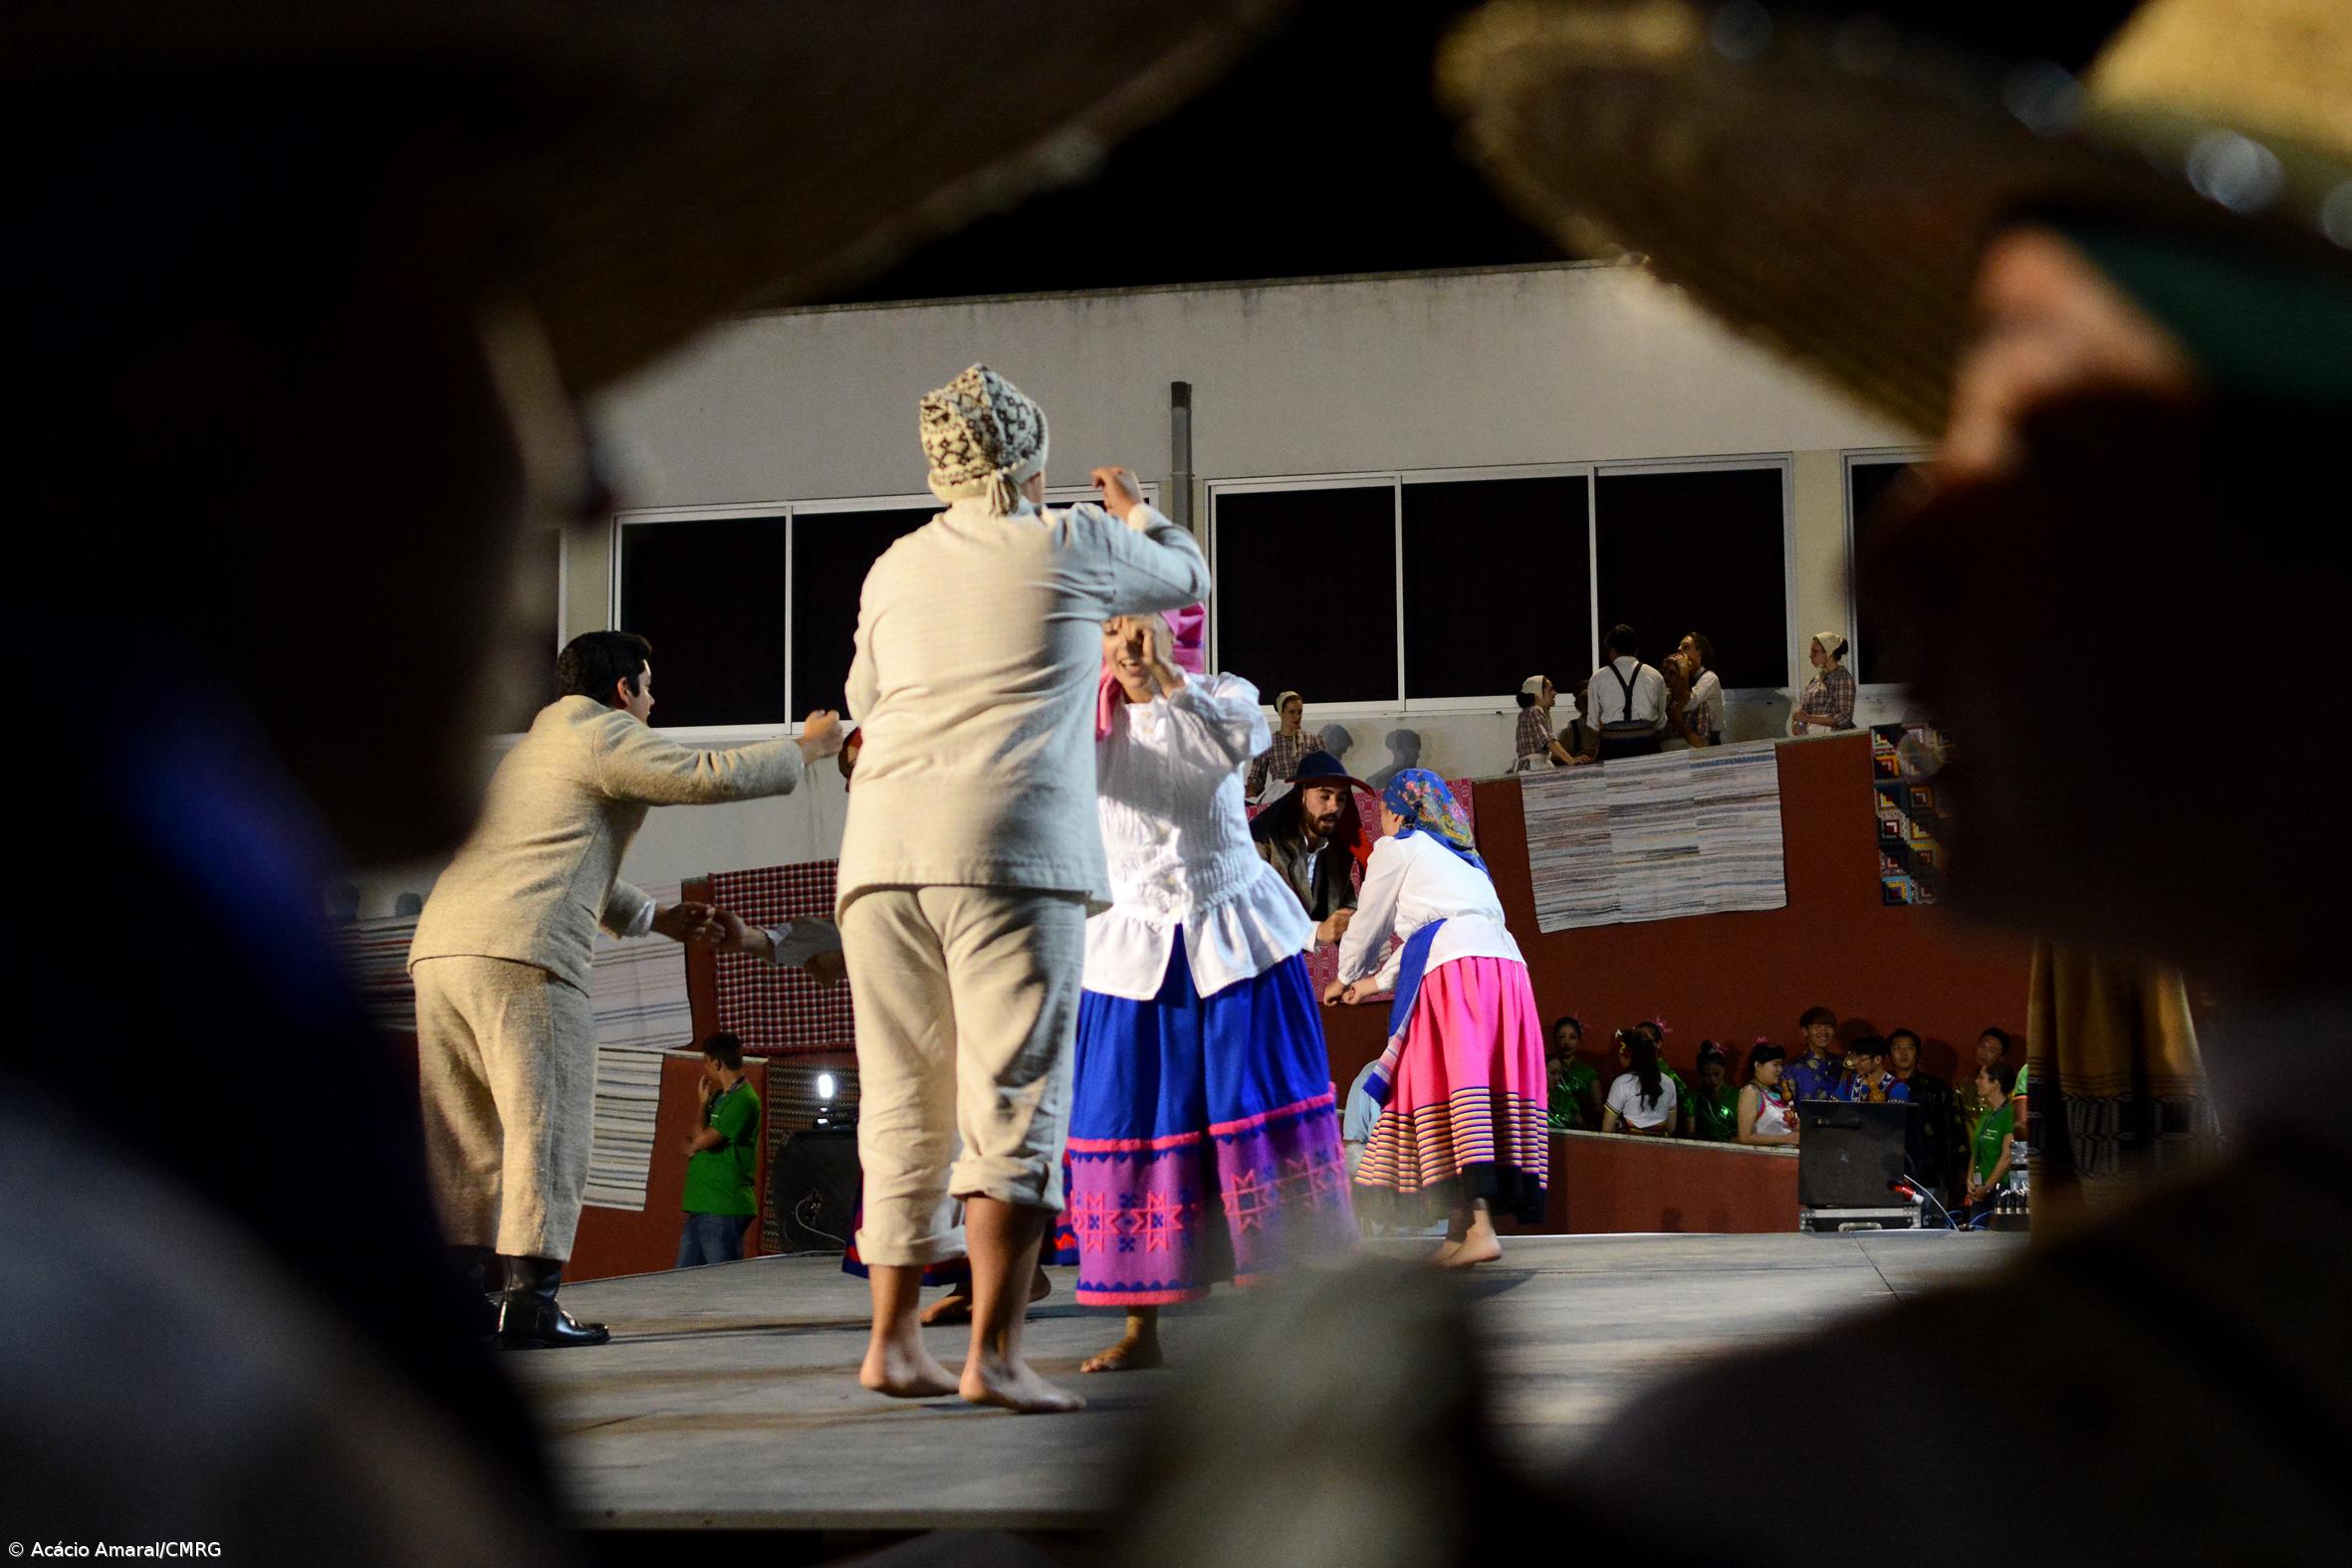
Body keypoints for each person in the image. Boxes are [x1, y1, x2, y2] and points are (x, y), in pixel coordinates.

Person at [837, 363, 1209, 1415]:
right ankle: (993, 1358)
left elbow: (866, 693)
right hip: (1009, 848)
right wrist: (1138, 507)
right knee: (1009, 1096)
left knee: (903, 1100)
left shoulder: (894, 564)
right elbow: (1187, 579)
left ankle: (892, 1344)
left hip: (880, 854)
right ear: (1032, 459)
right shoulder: (1073, 540)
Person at [409, 631, 843, 1348]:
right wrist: (805, 748)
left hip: (444, 950)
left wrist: (661, 918)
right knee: (548, 1129)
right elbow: (706, 774)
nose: (653, 700)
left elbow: (561, 863)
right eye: (648, 686)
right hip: (526, 953)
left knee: (465, 1139)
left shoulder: (527, 756)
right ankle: (530, 1306)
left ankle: (458, 1308)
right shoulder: (601, 732)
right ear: (620, 691)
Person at [1065, 609, 1357, 1373]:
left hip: (1236, 948)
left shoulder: (1224, 697)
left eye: (1143, 630)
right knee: (1137, 1132)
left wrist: (1165, 676)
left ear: (1170, 635)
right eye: (1112, 632)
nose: (1128, 646)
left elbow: (1227, 742)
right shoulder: (1077, 726)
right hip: (1133, 958)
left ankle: (1287, 1325)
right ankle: (1142, 1329)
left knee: (1257, 1130)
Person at [1327, 771, 1547, 1267]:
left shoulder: (1399, 847)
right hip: (1505, 973)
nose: (1381, 818)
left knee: (1443, 1091)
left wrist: (1345, 974)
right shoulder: (1466, 859)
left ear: (1402, 811)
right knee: (1476, 1093)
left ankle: (1480, 1229)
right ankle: (1460, 1231)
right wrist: (1374, 984)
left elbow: (1370, 922)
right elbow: (1437, 932)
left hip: (1456, 976)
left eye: (1384, 808)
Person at [1251, 750, 1370, 947]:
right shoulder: (1261, 841)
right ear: (1301, 796)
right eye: (1324, 796)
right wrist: (1316, 932)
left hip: (1287, 962)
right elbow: (1252, 914)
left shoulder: (1336, 848)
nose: (1334, 807)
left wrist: (1359, 935)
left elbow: (1344, 906)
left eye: (1341, 798)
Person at [677, 1032, 763, 1269]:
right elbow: (697, 1137)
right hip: (702, 1206)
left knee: (722, 1284)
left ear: (716, 1063)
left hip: (723, 1206)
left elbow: (702, 1140)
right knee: (682, 1284)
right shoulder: (719, 1098)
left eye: (705, 1061)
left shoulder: (745, 1100)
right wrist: (703, 1105)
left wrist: (695, 1144)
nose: (705, 1067)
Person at [1581, 623, 1668, 761]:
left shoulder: (1597, 678)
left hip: (1612, 746)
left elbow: (1593, 723)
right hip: (1646, 744)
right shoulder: (1655, 675)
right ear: (1636, 650)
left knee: (1613, 782)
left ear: (1612, 650)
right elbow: (1660, 721)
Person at [1886, 1028, 1955, 1197]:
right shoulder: (1881, 1088)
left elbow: (1951, 1130)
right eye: (1897, 1048)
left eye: (1909, 1047)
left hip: (1929, 1169)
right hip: (1888, 1167)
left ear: (1918, 1053)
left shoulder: (1935, 1088)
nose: (1903, 1053)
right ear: (1888, 1055)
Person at [1962, 1063, 2019, 1228]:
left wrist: (1988, 1187)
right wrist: (1970, 1179)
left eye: (1981, 1077)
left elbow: (2007, 1157)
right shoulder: (1987, 1113)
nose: (1977, 1081)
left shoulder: (2010, 1114)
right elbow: (1975, 1150)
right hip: (1979, 1191)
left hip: (2000, 1190)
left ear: (1995, 1084)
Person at [1245, 688, 1327, 800]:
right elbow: (1257, 777)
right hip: (1279, 794)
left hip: (1305, 792)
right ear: (1281, 712)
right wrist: (1250, 788)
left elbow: (1325, 770)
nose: (1297, 716)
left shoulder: (1312, 740)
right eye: (1292, 712)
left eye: (1299, 711)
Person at [1603, 1032, 1678, 1136]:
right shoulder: (1668, 1082)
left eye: (1620, 1054)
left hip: (1626, 1148)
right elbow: (1671, 1127)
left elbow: (1607, 1129)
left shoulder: (1622, 1082)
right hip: (1659, 1149)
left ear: (1628, 1056)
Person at [1789, 631, 1856, 736]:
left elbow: (1843, 718)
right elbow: (1803, 715)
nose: (1810, 656)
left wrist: (1807, 718)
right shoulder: (1814, 682)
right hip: (1813, 742)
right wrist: (1798, 725)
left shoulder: (1843, 678)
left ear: (1829, 653)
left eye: (1815, 652)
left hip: (1835, 742)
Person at [1545, 1015, 1602, 1132]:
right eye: (1561, 1037)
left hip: (1576, 1130)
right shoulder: (1544, 1065)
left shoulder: (1588, 1073)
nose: (1566, 1042)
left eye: (1573, 1037)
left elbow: (1598, 1108)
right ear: (1555, 1038)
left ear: (1579, 1040)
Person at [1736, 1044, 1800, 1147]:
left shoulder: (1780, 1092)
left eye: (1781, 1065)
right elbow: (1745, 1137)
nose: (1780, 1069)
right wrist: (1786, 1138)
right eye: (1775, 1064)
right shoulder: (1750, 1092)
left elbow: (1795, 1123)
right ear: (1757, 1066)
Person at [1514, 674, 1581, 770]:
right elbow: (1548, 741)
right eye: (1550, 690)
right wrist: (1571, 760)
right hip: (1535, 768)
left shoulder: (1526, 713)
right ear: (1537, 695)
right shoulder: (1534, 711)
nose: (1555, 693)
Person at [1674, 632, 1725, 747]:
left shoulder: (1709, 678)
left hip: (1708, 740)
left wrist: (1683, 669)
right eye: (1679, 647)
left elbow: (1686, 704)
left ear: (1699, 652)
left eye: (1686, 647)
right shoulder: (1688, 679)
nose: (1679, 650)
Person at [1784, 1007, 1845, 1102]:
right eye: (1817, 1027)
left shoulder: (1840, 1063)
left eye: (1828, 1026)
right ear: (1805, 1031)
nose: (1824, 1031)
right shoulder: (1792, 1068)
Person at [1688, 1041, 1741, 1141]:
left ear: (1724, 1069)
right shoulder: (1693, 1097)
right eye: (1706, 1075)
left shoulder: (1738, 1095)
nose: (1712, 1080)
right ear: (1700, 1073)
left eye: (1717, 1074)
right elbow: (1690, 1132)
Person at [1835, 1036, 1910, 1103]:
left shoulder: (1897, 1087)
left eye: (1861, 1059)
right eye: (1853, 1058)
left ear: (1877, 1059)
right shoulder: (1848, 1083)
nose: (1854, 1063)